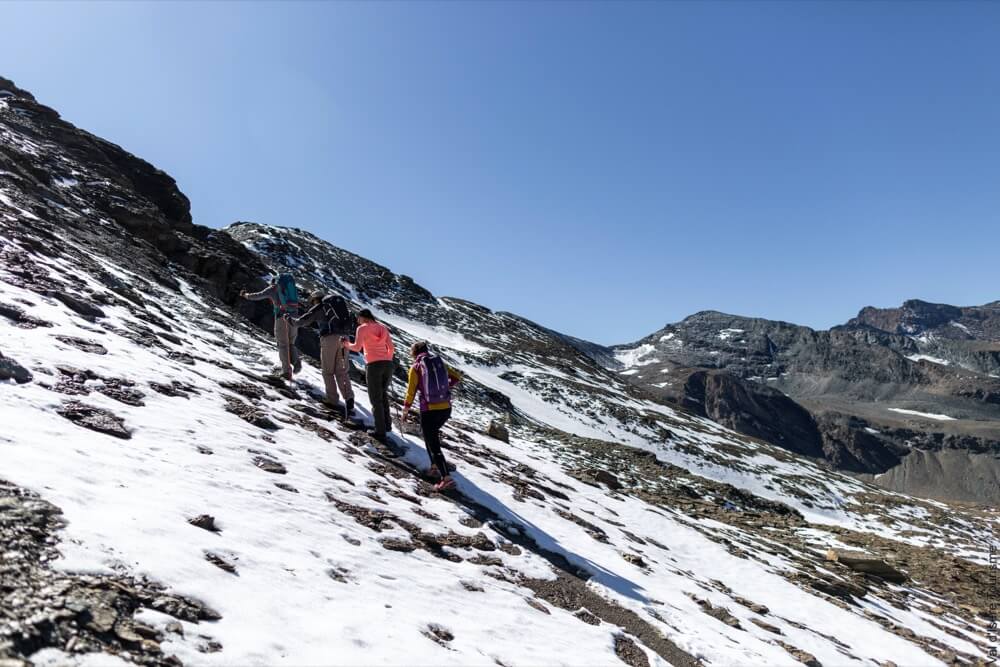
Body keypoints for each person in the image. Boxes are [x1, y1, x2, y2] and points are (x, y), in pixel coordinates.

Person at [402, 341, 462, 491]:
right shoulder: (438, 362)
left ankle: (446, 478)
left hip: (429, 410)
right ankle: (434, 468)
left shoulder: (416, 367)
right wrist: (444, 389)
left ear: (414, 352)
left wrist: (405, 410)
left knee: (433, 443)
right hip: (446, 408)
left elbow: (411, 391)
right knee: (431, 438)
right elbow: (456, 377)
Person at [291, 292, 356, 420]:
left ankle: (332, 400)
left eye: (312, 301)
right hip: (345, 339)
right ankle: (349, 399)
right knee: (342, 371)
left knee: (328, 371)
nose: (312, 303)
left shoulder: (320, 307)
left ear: (316, 299)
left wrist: (289, 319)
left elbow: (302, 321)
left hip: (329, 339)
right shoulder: (337, 307)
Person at [343, 309, 395, 442]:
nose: (357, 321)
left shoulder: (362, 328)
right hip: (388, 364)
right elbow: (391, 348)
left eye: (358, 318)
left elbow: (357, 347)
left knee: (375, 398)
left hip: (374, 365)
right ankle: (387, 425)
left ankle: (380, 431)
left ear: (363, 317)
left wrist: (345, 344)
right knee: (383, 395)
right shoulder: (382, 327)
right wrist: (385, 358)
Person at [241, 274, 301, 380]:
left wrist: (245, 295)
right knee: (291, 342)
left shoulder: (273, 288)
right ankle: (296, 362)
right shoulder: (291, 288)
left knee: (283, 344)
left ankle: (287, 371)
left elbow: (258, 295)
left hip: (282, 317)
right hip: (295, 317)